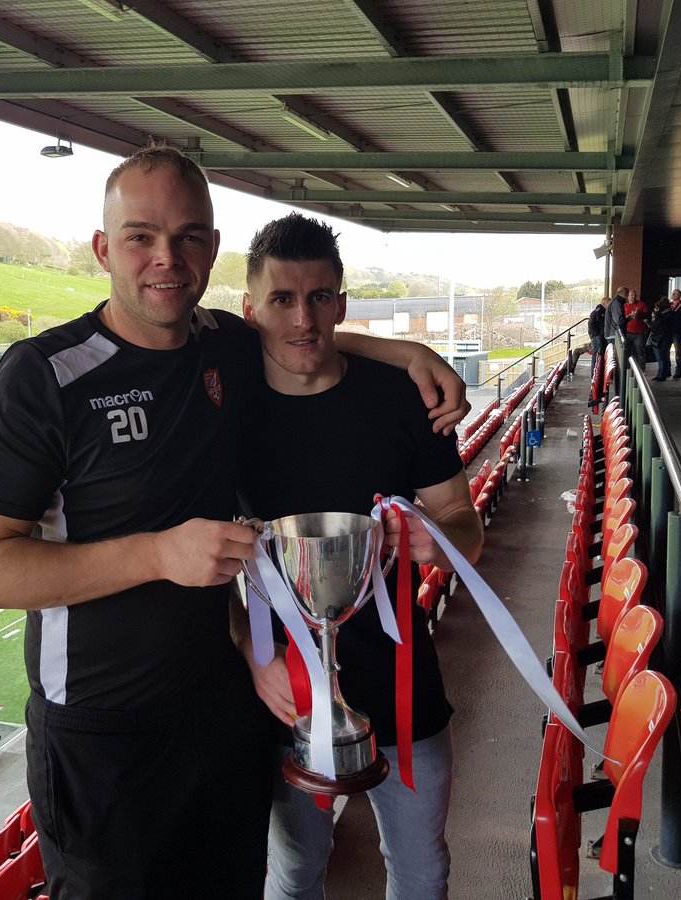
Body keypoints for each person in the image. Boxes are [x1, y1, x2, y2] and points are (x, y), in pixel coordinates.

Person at [0, 146, 468, 899]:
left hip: (227, 710)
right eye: (140, 237)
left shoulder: (220, 346)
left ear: (213, 249)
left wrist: (407, 350)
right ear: (104, 249)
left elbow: (305, 337)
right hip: (106, 730)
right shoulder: (45, 375)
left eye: (190, 236)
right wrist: (160, 553)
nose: (167, 258)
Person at [231, 213, 484, 900]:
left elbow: (465, 521)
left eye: (319, 299)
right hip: (288, 693)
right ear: (250, 309)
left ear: (342, 304)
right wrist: (255, 657)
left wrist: (444, 545)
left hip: (405, 688)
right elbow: (222, 565)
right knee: (291, 877)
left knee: (423, 872)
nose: (303, 319)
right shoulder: (227, 412)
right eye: (282, 299)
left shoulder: (403, 399)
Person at [649, 297, 674, 380]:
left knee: (661, 357)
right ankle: (660, 373)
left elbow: (657, 326)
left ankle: (662, 375)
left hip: (662, 337)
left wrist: (655, 316)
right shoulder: (669, 314)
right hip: (664, 337)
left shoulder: (665, 315)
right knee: (662, 356)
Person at [622, 288, 650, 366]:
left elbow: (648, 315)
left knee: (639, 350)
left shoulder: (641, 304)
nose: (633, 297)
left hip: (639, 332)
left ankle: (641, 369)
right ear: (628, 296)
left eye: (635, 295)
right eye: (632, 295)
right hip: (627, 332)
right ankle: (628, 369)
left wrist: (639, 315)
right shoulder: (623, 306)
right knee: (628, 351)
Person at [588, 296, 609, 363]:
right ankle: (594, 372)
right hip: (597, 336)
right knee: (597, 355)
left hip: (599, 335)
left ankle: (596, 371)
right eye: (609, 303)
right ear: (604, 303)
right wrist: (596, 334)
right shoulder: (599, 311)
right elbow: (591, 323)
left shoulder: (603, 311)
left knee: (600, 354)